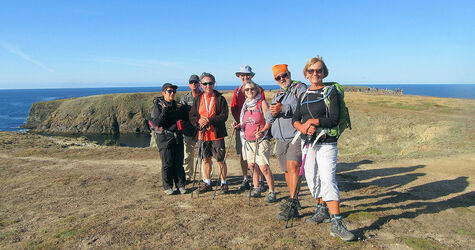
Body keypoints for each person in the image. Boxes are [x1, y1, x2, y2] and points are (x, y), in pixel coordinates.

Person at [292, 56, 354, 241]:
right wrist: (302, 127)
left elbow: (334, 118)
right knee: (312, 178)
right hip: (308, 142)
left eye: (318, 70)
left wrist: (313, 122)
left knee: (328, 179)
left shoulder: (330, 92)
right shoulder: (303, 95)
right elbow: (295, 118)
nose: (315, 74)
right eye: (311, 71)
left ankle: (337, 222)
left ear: (324, 72)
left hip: (327, 142)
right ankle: (321, 209)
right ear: (306, 73)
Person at [264, 64, 307, 219]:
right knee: (287, 171)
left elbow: (303, 105)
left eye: (284, 75)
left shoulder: (300, 88)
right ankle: (292, 199)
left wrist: (283, 108)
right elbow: (270, 114)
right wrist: (267, 122)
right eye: (278, 77)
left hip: (295, 135)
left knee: (293, 167)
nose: (282, 79)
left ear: (289, 73)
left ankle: (293, 203)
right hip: (280, 138)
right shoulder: (278, 94)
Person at [232, 80, 276, 202]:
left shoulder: (262, 103)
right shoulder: (245, 105)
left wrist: (263, 131)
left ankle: (272, 191)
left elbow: (269, 121)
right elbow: (246, 122)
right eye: (247, 90)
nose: (250, 91)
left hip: (261, 140)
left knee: (264, 168)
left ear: (256, 90)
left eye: (252, 89)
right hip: (247, 141)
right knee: (252, 166)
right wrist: (238, 125)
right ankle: (256, 188)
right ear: (244, 92)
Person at [189, 72, 229, 193]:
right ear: (201, 85)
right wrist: (198, 121)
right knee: (205, 159)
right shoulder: (198, 99)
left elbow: (224, 116)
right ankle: (207, 182)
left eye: (210, 83)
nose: (208, 86)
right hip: (202, 134)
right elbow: (192, 115)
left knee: (220, 159)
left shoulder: (220, 98)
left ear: (214, 84)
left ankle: (223, 183)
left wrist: (209, 121)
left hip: (217, 134)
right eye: (205, 83)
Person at [230, 65, 266, 192]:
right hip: (243, 127)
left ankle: (260, 180)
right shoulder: (238, 91)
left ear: (251, 76)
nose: (245, 77)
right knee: (244, 155)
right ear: (240, 76)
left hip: (256, 128)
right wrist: (241, 123)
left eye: (248, 75)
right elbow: (234, 108)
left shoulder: (259, 89)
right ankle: (246, 178)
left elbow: (263, 108)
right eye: (243, 75)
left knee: (257, 154)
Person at [150, 83, 188, 195]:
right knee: (167, 163)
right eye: (169, 91)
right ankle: (168, 186)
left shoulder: (177, 106)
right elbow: (156, 123)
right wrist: (165, 111)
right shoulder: (158, 106)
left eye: (174, 91)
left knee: (179, 162)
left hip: (177, 137)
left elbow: (184, 117)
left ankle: (180, 185)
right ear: (163, 92)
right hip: (164, 138)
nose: (172, 93)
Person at [179, 74, 202, 182]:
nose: (194, 84)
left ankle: (206, 177)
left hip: (202, 130)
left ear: (199, 83)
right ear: (189, 84)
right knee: (187, 154)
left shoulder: (204, 96)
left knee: (203, 155)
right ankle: (188, 177)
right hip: (188, 130)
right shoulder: (185, 98)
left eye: (196, 82)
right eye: (192, 82)